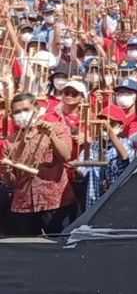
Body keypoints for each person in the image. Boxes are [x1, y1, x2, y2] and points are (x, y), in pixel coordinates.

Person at [0, 93, 76, 236]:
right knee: (26, 252)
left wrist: (51, 135)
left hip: (55, 203)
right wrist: (5, 172)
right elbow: (12, 183)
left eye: (26, 109)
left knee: (60, 247)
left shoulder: (58, 128)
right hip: (23, 206)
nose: (22, 114)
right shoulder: (10, 142)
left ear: (36, 109)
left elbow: (66, 156)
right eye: (17, 112)